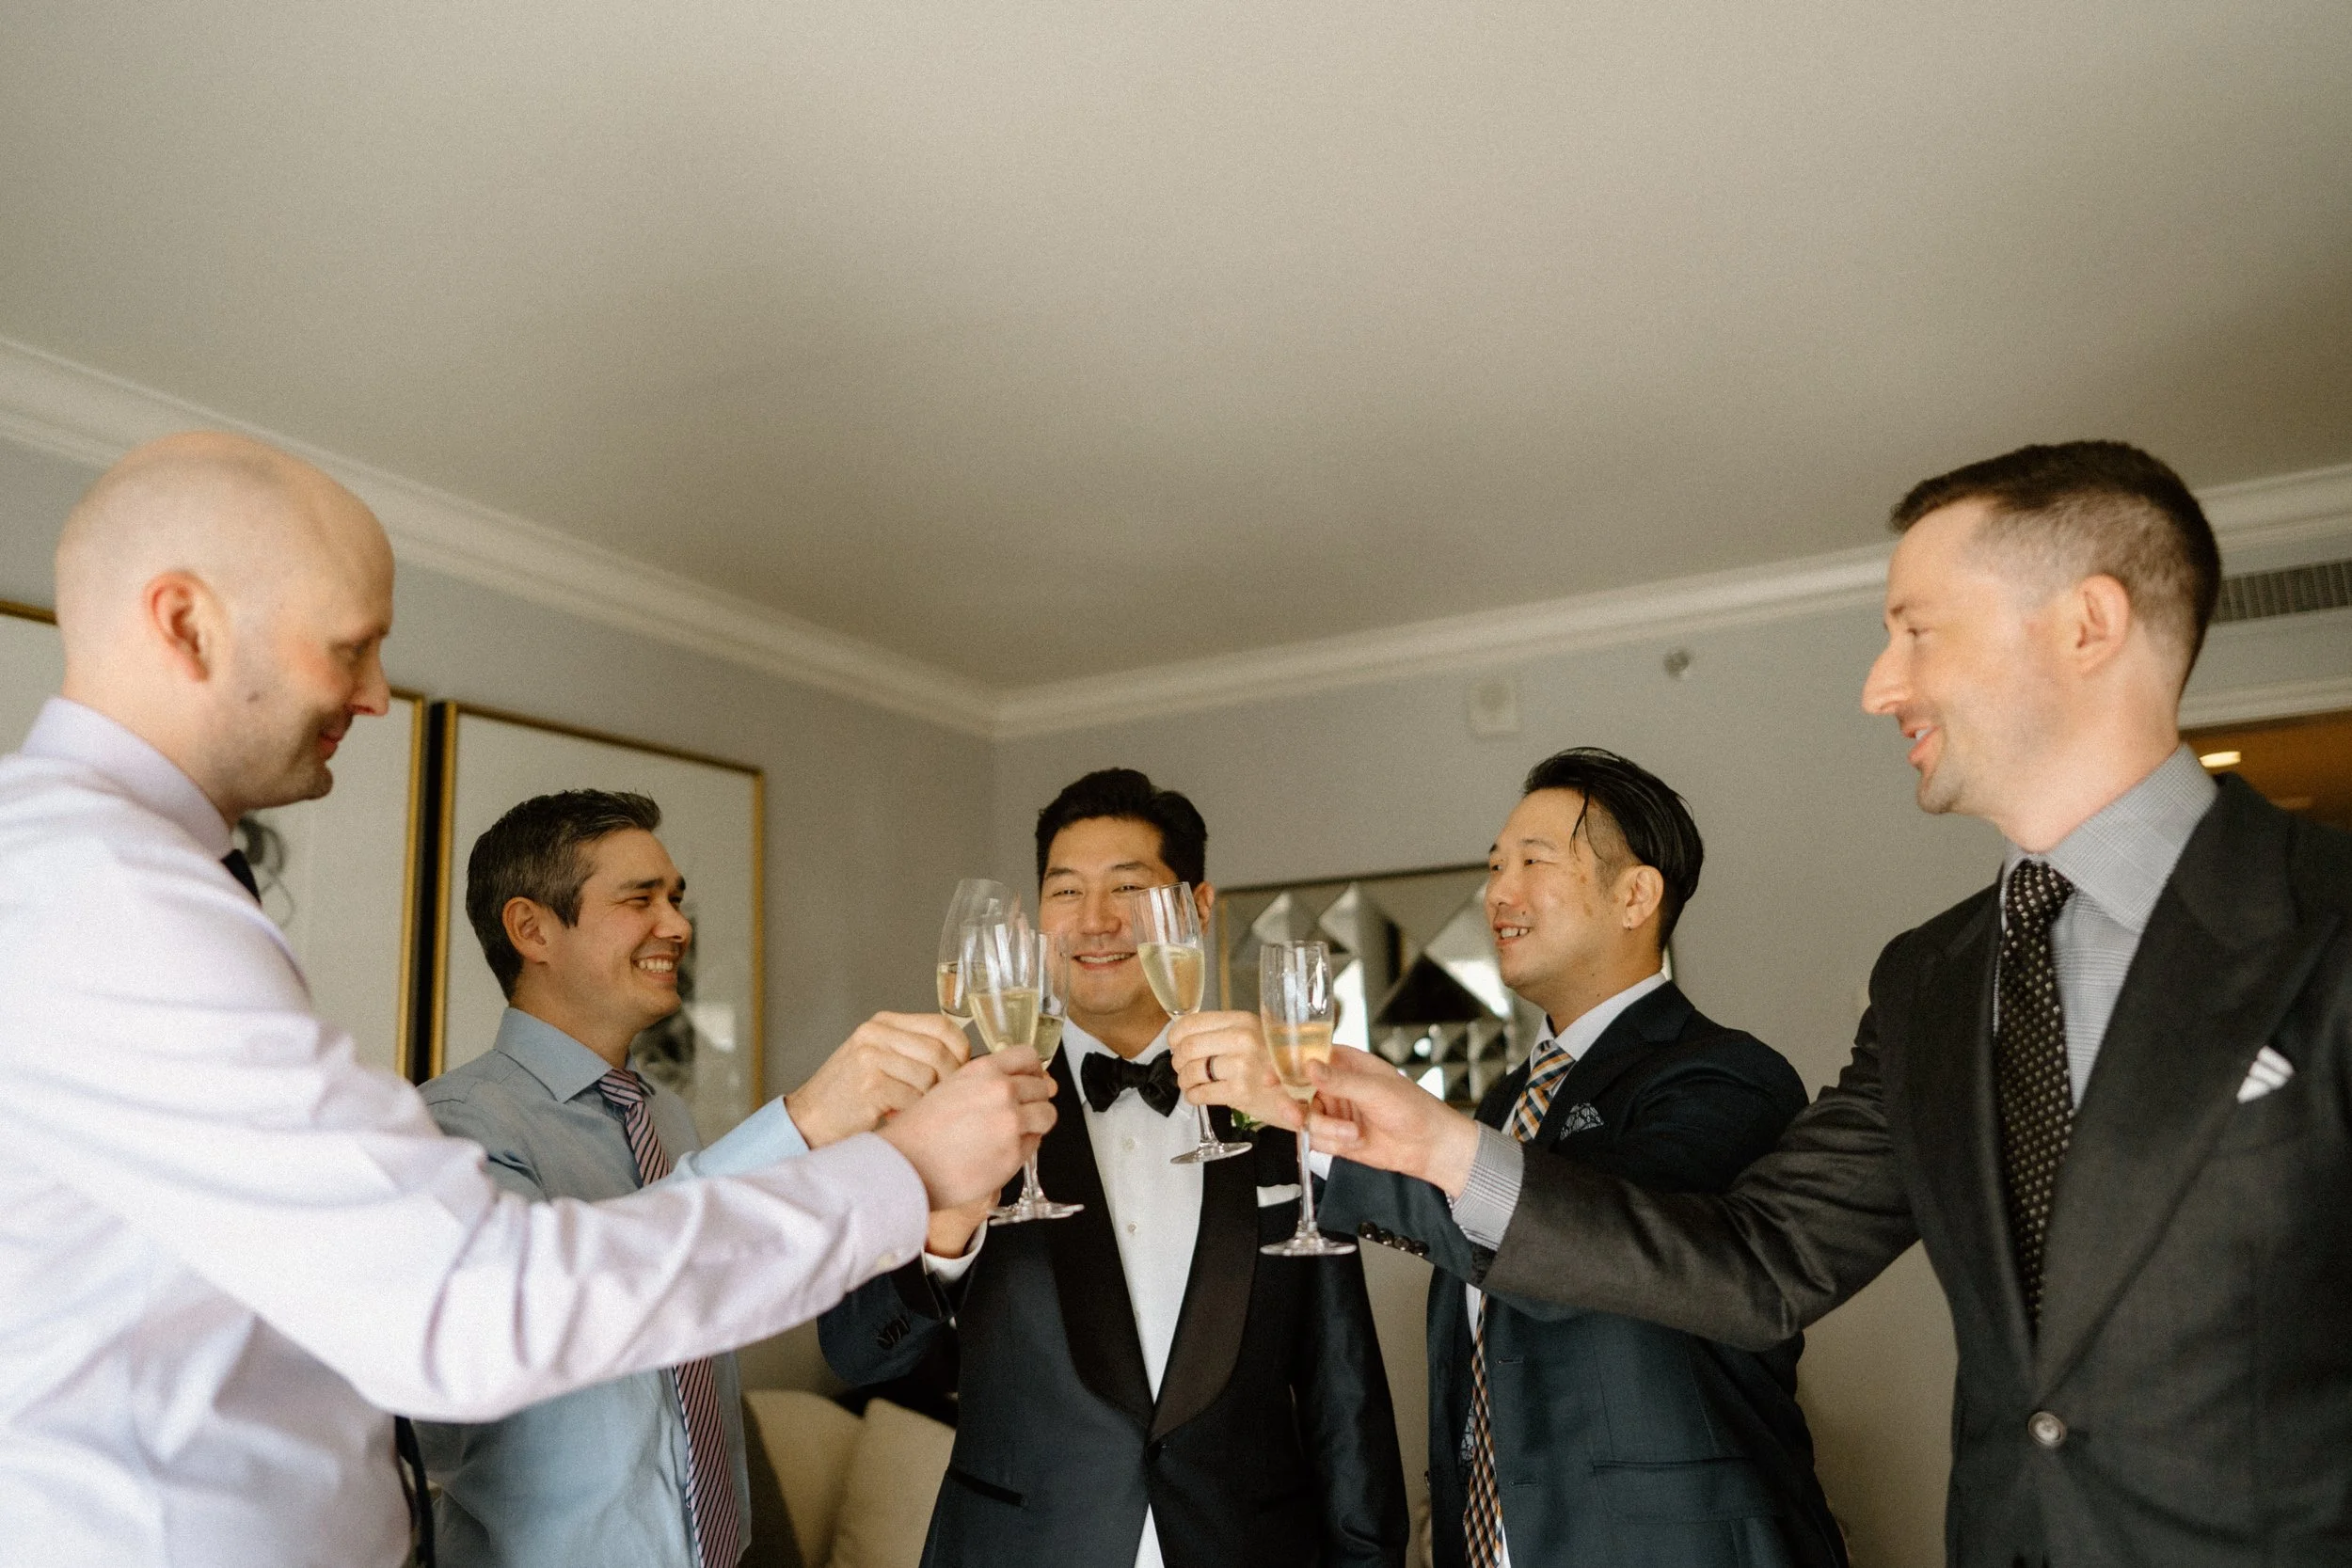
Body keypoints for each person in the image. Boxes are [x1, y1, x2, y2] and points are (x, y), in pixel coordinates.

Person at [0, 432, 1055, 1568]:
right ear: (184, 621)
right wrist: (903, 1174)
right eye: (349, 646)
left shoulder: (116, 880)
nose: (376, 695)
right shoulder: (102, 894)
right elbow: (464, 1306)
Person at [1292, 441, 2352, 1566]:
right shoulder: (1929, 981)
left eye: (1917, 630)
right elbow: (1757, 1264)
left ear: (2086, 623)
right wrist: (1447, 1148)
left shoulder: (2325, 916)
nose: (1877, 684)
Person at [1173, 748, 1848, 1567]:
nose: (1498, 892)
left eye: (1534, 861)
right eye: (1495, 865)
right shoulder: (1508, 1100)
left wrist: (1316, 1124)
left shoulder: (1724, 1076)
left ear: (1636, 894)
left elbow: (1601, 1245)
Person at [819, 768, 1409, 1568]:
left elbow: (1343, 1389)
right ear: (1035, 919)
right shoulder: (956, 1109)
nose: (1095, 922)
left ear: (1196, 909)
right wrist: (945, 1235)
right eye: (1065, 892)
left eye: (1129, 886)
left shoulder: (1278, 1104)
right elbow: (858, 1350)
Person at [416, 788, 980, 1568]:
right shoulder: (453, 1127)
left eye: (675, 898)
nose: (678, 925)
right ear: (531, 928)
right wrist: (808, 1117)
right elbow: (551, 1307)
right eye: (639, 898)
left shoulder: (666, 1118)